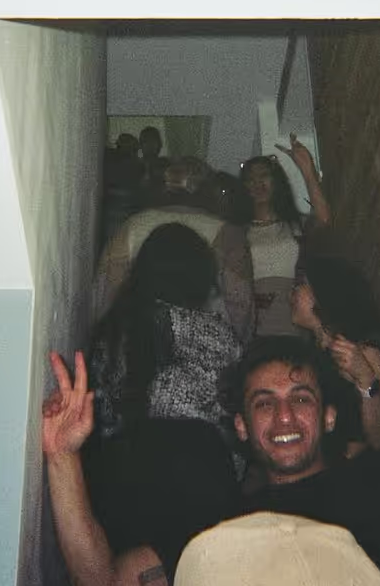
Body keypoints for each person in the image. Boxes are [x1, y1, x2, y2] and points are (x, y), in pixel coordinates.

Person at [42, 337, 380, 585]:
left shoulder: (379, 490)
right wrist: (63, 458)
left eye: (301, 399)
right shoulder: (217, 522)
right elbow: (102, 578)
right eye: (264, 402)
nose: (284, 415)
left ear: (329, 417)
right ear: (243, 427)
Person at [84, 223, 243, 557]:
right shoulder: (214, 335)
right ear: (197, 275)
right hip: (200, 481)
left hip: (120, 484)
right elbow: (233, 415)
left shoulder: (109, 335)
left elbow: (104, 420)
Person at [92, 157, 254, 345]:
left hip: (139, 340)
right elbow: (240, 303)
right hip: (205, 343)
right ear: (208, 190)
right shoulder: (228, 233)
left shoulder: (133, 225)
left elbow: (105, 293)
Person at [290, 254, 380, 456]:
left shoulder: (365, 352)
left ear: (323, 295)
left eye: (302, 284)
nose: (293, 292)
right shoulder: (310, 353)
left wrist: (365, 378)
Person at [241, 133, 330, 337]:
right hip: (258, 324)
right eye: (251, 180)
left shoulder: (294, 224)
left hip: (297, 318)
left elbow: (323, 219)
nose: (258, 183)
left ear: (276, 181)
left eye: (264, 175)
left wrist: (306, 169)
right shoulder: (239, 232)